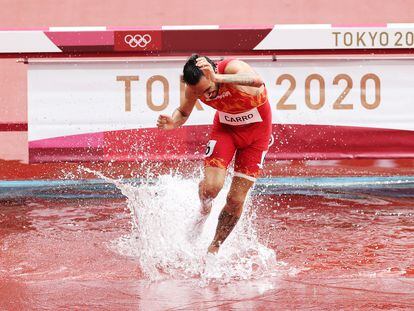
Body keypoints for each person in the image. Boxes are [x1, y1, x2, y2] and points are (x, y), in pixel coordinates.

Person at [157, 54, 272, 254]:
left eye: (209, 90)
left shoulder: (232, 69)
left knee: (236, 199)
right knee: (211, 188)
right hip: (226, 131)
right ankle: (204, 207)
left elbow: (258, 82)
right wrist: (173, 123)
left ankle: (214, 247)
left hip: (257, 136)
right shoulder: (195, 87)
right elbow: (183, 113)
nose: (208, 97)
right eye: (202, 94)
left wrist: (219, 80)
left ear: (215, 73)